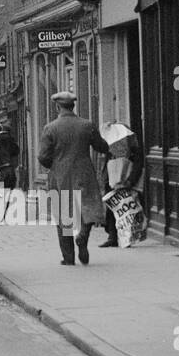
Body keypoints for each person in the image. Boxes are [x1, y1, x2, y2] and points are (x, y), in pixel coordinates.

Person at [38, 91, 111, 266]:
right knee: (89, 208)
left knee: (64, 215)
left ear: (58, 107)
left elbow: (42, 156)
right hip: (84, 173)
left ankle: (68, 258)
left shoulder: (50, 128)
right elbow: (102, 147)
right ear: (73, 106)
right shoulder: (87, 125)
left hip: (60, 175)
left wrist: (54, 165)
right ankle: (83, 235)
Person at [99, 126, 144, 247]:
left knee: (127, 210)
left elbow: (138, 164)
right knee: (113, 208)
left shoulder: (133, 150)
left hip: (126, 182)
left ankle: (128, 236)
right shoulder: (110, 150)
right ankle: (112, 236)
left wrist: (130, 181)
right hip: (113, 183)